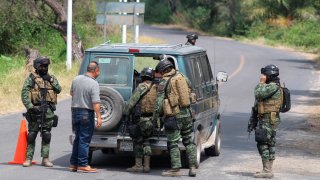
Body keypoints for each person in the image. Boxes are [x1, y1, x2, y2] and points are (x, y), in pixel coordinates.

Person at [153, 57, 197, 177]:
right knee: (188, 141)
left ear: (163, 70)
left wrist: (155, 117)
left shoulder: (164, 82)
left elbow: (158, 103)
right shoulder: (182, 76)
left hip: (173, 117)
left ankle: (175, 169)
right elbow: (191, 90)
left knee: (173, 143)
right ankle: (193, 167)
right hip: (187, 114)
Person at [21, 57, 62, 167]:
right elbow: (24, 93)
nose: (45, 68)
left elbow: (59, 89)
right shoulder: (31, 79)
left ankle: (45, 159)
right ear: (37, 67)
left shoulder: (51, 78)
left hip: (48, 110)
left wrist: (51, 80)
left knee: (46, 135)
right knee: (32, 135)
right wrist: (30, 106)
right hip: (35, 110)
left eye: (46, 66)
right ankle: (28, 159)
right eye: (43, 66)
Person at [250, 64, 283, 178]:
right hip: (270, 118)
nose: (263, 76)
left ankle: (267, 170)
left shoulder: (272, 86)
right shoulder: (274, 85)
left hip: (268, 119)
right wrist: (253, 120)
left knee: (263, 143)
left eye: (264, 74)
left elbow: (258, 94)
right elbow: (257, 105)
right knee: (270, 143)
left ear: (269, 75)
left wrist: (261, 83)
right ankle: (268, 169)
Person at [123, 67, 158, 173]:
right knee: (147, 142)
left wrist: (125, 113)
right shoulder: (156, 87)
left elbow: (131, 102)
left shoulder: (141, 87)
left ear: (143, 76)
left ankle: (138, 165)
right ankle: (147, 166)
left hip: (141, 119)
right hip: (152, 119)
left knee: (138, 142)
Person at [69, 61, 102, 173]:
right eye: (99, 70)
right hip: (86, 113)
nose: (99, 73)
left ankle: (74, 164)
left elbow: (71, 93)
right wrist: (99, 117)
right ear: (95, 71)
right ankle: (83, 164)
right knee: (84, 139)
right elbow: (96, 103)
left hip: (75, 112)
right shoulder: (94, 83)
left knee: (78, 138)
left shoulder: (76, 79)